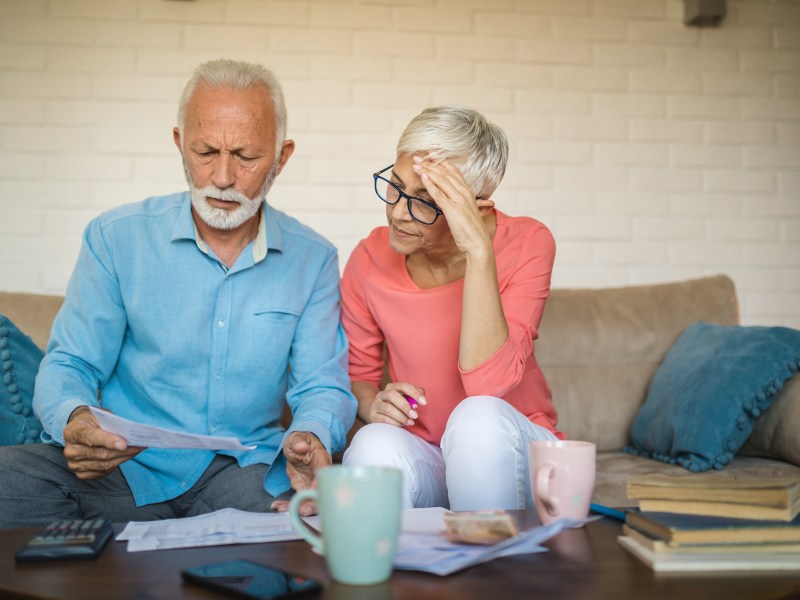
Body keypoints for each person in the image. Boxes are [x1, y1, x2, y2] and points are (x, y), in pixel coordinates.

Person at [0, 59, 356, 528]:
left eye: (246, 157)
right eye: (205, 152)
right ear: (178, 144)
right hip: (123, 470)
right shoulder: (115, 237)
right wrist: (76, 418)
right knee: (10, 479)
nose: (223, 177)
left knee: (301, 516)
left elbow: (320, 385)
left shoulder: (314, 259)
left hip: (243, 475)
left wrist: (310, 433)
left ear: (282, 156)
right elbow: (72, 364)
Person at [340, 105, 564, 511]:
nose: (396, 212)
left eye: (426, 201)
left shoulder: (528, 242)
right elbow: (360, 377)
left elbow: (488, 387)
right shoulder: (368, 258)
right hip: (431, 453)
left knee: (477, 419)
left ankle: (487, 569)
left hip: (517, 452)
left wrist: (478, 250)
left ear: (475, 208)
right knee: (372, 442)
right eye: (395, 185)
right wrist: (373, 403)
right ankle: (396, 570)